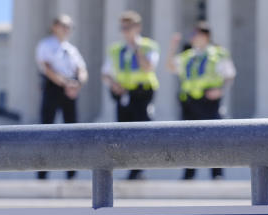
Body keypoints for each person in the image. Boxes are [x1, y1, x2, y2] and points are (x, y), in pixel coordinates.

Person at [167, 21, 236, 180]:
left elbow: (229, 74)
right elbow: (171, 67)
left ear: (205, 36)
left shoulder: (218, 54)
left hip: (208, 100)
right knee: (188, 139)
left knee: (213, 138)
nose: (192, 38)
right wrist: (172, 47)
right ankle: (189, 174)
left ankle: (217, 174)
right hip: (190, 101)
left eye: (195, 34)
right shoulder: (188, 56)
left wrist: (220, 91)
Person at [101, 10, 159, 180]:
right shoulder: (116, 49)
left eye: (129, 27)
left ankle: (139, 169)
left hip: (142, 93)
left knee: (141, 131)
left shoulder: (148, 46)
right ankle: (131, 169)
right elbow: (106, 73)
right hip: (123, 94)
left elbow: (148, 67)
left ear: (138, 27)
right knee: (124, 131)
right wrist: (114, 85)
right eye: (123, 27)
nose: (125, 31)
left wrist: (137, 48)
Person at [35, 14, 87, 179]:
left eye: (69, 26)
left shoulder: (72, 50)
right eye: (63, 25)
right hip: (53, 89)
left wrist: (77, 83)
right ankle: (43, 172)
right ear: (54, 26)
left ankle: (71, 171)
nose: (66, 29)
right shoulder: (46, 45)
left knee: (72, 131)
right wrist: (66, 84)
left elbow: (82, 69)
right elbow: (47, 67)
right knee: (46, 130)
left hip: (71, 90)